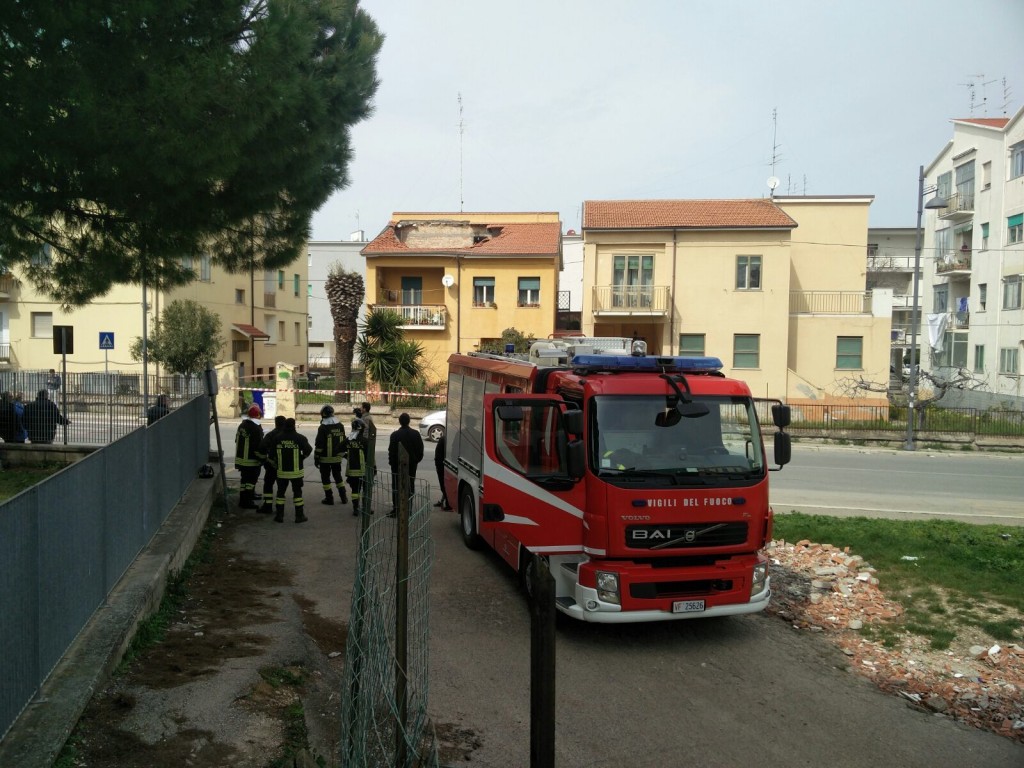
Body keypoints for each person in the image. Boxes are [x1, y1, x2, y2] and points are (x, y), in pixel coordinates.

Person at [263, 417, 312, 523]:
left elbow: (271, 455)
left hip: (282, 472)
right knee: (297, 494)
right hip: (296, 472)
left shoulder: (277, 438)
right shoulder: (300, 438)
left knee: (280, 494)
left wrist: (275, 464)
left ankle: (279, 516)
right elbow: (308, 450)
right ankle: (299, 516)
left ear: (285, 425)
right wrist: (302, 458)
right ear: (294, 425)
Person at [388, 411, 424, 514]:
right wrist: (415, 461)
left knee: (396, 486)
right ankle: (408, 508)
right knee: (410, 485)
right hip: (411, 465)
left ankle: (396, 508)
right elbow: (420, 450)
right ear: (409, 421)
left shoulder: (395, 435)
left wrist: (392, 463)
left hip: (397, 465)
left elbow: (391, 451)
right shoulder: (415, 434)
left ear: (399, 422)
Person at [314, 404, 349, 506]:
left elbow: (319, 444)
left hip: (325, 459)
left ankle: (329, 498)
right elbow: (344, 441)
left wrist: (316, 458)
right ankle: (344, 497)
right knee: (338, 477)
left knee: (325, 479)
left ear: (323, 414)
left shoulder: (323, 427)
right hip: (337, 458)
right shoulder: (340, 426)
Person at [234, 404, 264, 509]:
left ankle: (245, 498)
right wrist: (262, 458)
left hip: (241, 459)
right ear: (258, 415)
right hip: (251, 460)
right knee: (251, 481)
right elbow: (258, 445)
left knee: (244, 481)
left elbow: (237, 440)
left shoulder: (242, 425)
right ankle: (247, 501)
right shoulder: (255, 428)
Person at [258, 415, 286, 514]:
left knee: (268, 485)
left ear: (276, 423)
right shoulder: (288, 435)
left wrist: (264, 460)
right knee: (281, 487)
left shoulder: (271, 435)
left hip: (272, 465)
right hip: (284, 466)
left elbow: (262, 447)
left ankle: (268, 506)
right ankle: (280, 509)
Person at [346, 416, 368, 516]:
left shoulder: (349, 440)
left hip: (351, 471)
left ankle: (355, 508)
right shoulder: (365, 440)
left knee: (355, 490)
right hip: (364, 471)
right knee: (366, 489)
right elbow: (370, 456)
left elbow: (338, 449)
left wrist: (346, 456)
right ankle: (365, 508)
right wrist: (374, 468)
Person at [433, 433, 452, 510]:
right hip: (446, 464)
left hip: (441, 465)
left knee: (443, 485)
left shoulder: (443, 439)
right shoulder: (449, 438)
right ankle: (444, 501)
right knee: (445, 484)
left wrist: (437, 464)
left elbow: (438, 455)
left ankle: (448, 504)